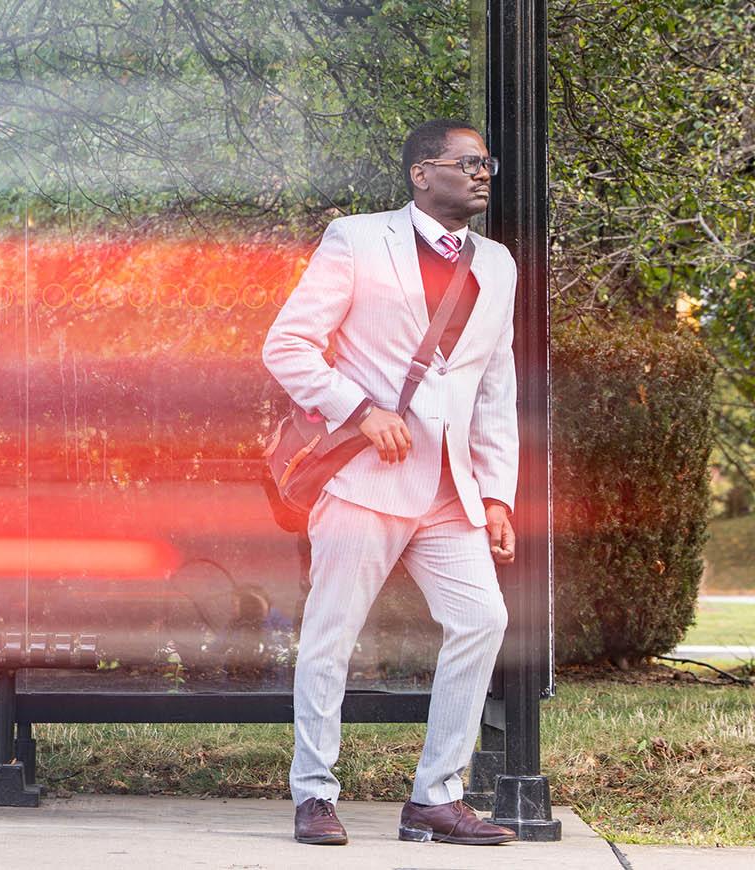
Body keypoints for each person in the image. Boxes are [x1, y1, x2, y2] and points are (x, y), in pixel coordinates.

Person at [261, 118, 520, 846]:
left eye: (486, 163)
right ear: (420, 173)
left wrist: (498, 491)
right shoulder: (356, 238)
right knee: (330, 636)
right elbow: (287, 344)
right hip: (365, 481)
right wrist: (360, 408)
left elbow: (493, 382)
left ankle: (436, 796)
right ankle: (314, 793)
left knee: (483, 620)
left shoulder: (496, 264)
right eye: (467, 162)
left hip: (450, 491)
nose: (481, 174)